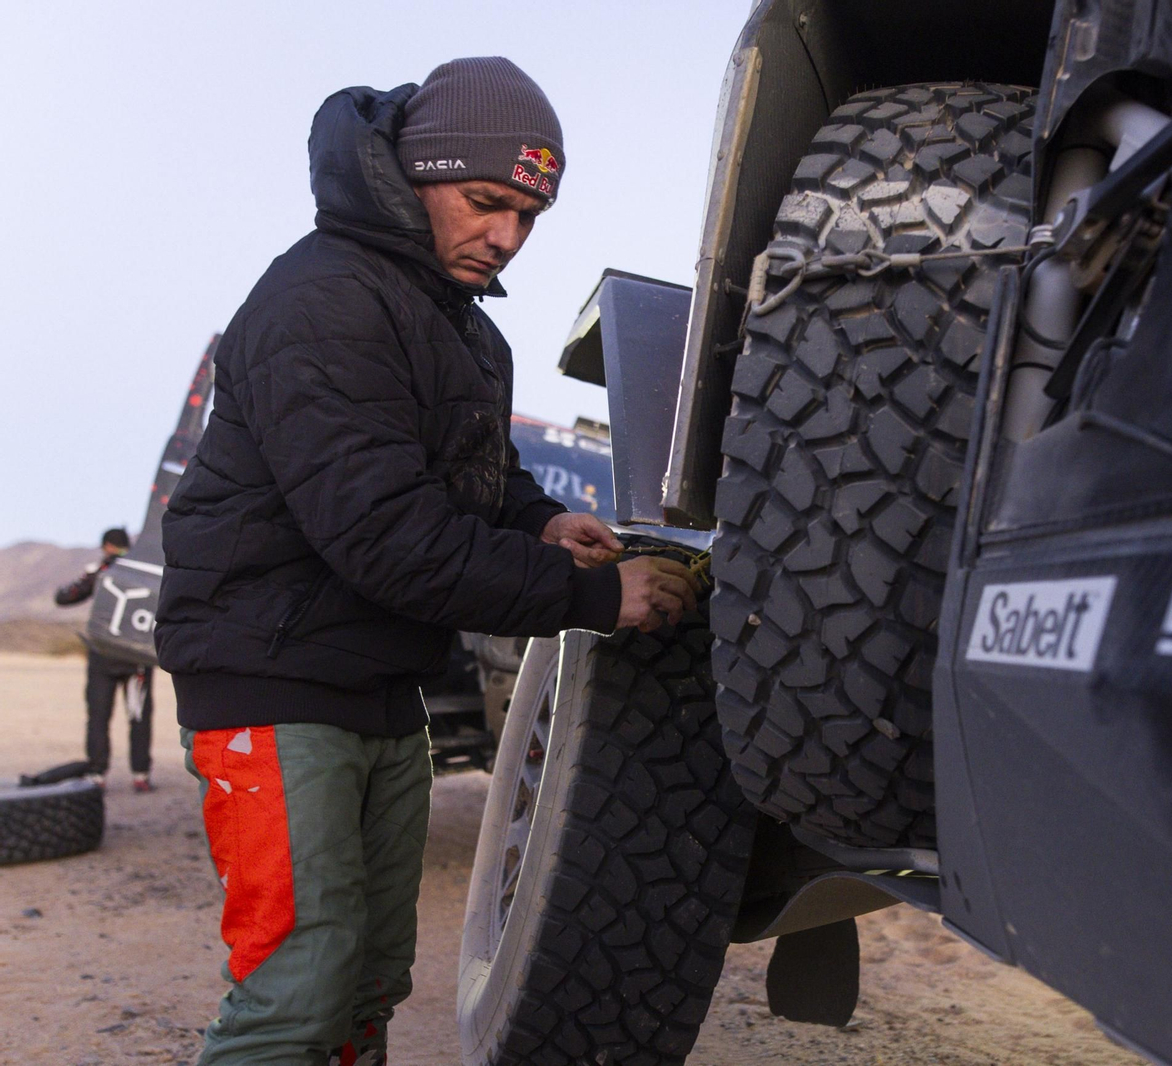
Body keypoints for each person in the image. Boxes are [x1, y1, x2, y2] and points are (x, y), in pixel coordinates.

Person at [153, 57, 697, 1066]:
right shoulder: (323, 299)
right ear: (416, 175)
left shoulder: (464, 330)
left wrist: (541, 521)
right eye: (487, 203)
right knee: (296, 993)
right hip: (272, 681)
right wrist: (591, 595)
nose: (507, 236)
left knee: (368, 984)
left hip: (380, 683)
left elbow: (469, 475)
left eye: (528, 216)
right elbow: (388, 537)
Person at [55, 526, 155, 792]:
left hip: (103, 656)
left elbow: (64, 597)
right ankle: (141, 774)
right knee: (139, 717)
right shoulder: (145, 572)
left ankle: (97, 775)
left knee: (98, 717)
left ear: (106, 546)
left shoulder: (101, 571)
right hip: (137, 659)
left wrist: (92, 575)